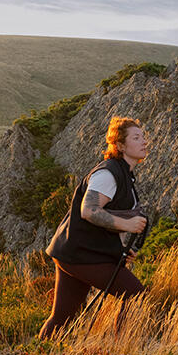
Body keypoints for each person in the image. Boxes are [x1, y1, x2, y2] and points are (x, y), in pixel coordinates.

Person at [38, 117, 148, 340]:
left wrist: (121, 248)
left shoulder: (124, 173)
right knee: (136, 296)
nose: (144, 141)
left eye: (143, 137)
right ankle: (120, 351)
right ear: (120, 146)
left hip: (73, 252)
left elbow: (109, 217)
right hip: (82, 255)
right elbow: (88, 210)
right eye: (136, 138)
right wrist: (127, 224)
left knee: (62, 317)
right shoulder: (108, 173)